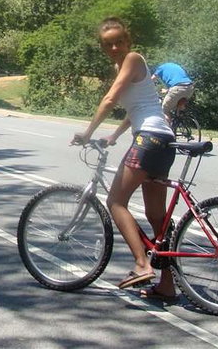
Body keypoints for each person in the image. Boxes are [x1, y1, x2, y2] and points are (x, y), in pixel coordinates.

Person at [72, 17, 177, 302]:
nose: (115, 47)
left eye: (119, 41)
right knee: (157, 218)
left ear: (128, 40)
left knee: (115, 202)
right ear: (102, 46)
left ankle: (142, 264)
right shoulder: (124, 66)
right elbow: (138, 108)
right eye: (108, 44)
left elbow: (110, 99)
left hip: (149, 140)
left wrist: (87, 132)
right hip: (162, 140)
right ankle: (168, 286)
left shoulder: (132, 58)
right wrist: (114, 135)